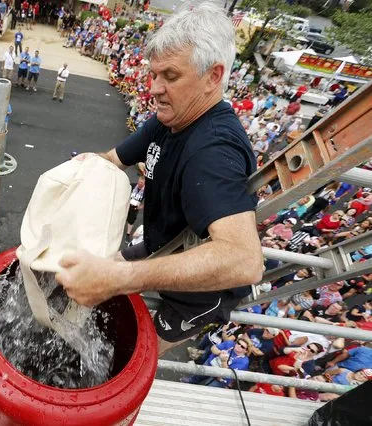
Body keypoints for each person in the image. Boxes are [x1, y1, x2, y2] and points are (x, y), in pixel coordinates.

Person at [54, 4, 262, 346]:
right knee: (87, 280)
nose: (153, 88)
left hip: (199, 292)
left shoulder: (214, 150)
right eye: (154, 74)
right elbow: (109, 160)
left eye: (170, 76)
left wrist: (120, 278)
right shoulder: (169, 116)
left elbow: (244, 261)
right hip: (159, 245)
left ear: (213, 76)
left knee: (129, 352)